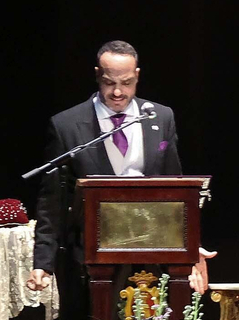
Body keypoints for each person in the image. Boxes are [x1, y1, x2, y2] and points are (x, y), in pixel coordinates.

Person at [26, 41, 213, 298]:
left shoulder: (160, 117)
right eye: (109, 83)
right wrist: (43, 263)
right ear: (97, 75)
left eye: (126, 83)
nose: (117, 92)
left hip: (154, 249)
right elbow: (52, 202)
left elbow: (176, 191)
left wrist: (191, 248)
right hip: (94, 254)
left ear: (137, 76)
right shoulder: (66, 126)